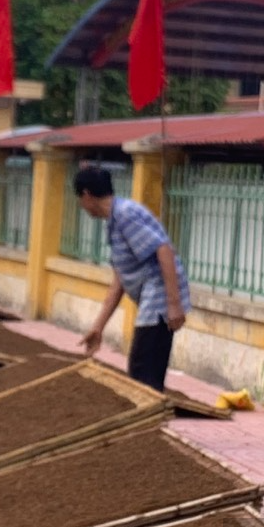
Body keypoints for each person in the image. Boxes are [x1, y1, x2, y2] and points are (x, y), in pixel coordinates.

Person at [73, 167, 191, 393]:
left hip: (159, 298)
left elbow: (163, 249)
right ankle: (150, 418)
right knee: (143, 369)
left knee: (143, 369)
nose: (81, 205)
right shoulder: (115, 221)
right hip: (154, 298)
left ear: (87, 195)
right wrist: (98, 327)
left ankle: (149, 421)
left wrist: (173, 304)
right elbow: (120, 280)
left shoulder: (126, 214)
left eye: (80, 199)